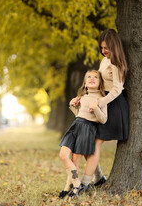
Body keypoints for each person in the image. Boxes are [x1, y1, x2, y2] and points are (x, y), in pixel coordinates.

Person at [82, 28, 129, 187]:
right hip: (100, 103)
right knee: (86, 141)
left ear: (114, 46)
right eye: (101, 48)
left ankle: (84, 183)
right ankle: (99, 177)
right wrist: (83, 97)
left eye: (106, 48)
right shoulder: (104, 60)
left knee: (94, 143)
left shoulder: (116, 63)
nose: (103, 51)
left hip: (113, 105)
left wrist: (99, 103)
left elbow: (117, 89)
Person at [59, 70, 108, 199]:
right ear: (85, 83)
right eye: (89, 77)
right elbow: (79, 114)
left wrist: (96, 108)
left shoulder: (101, 99)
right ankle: (76, 184)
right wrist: (72, 105)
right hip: (76, 125)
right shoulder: (82, 96)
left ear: (100, 83)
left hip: (87, 128)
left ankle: (69, 187)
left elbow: (103, 119)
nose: (92, 78)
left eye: (95, 77)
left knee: (76, 159)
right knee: (63, 154)